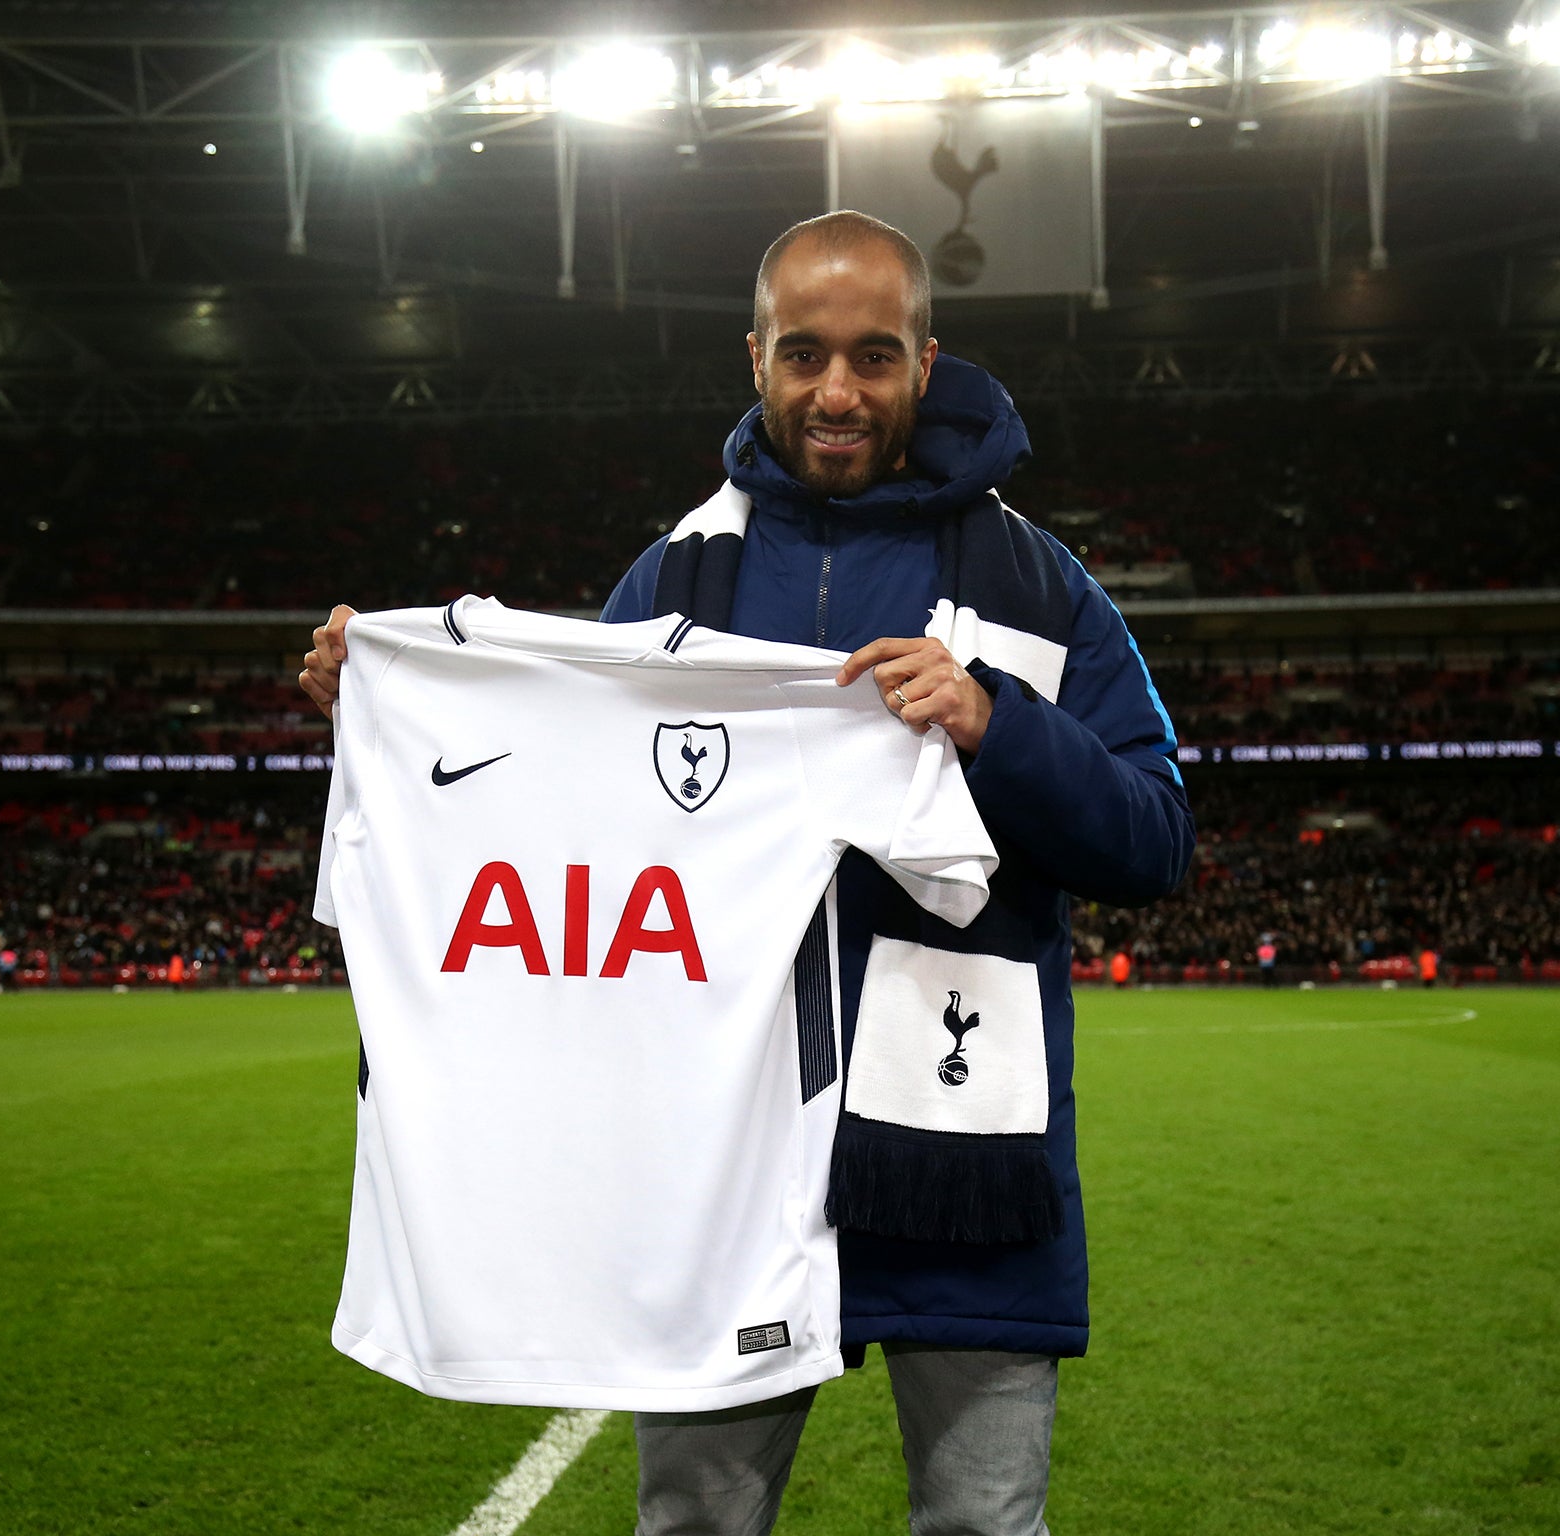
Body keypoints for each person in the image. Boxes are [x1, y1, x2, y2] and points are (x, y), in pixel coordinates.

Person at [300, 210, 1195, 1536]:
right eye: (805, 354)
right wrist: (386, 711)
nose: (837, 390)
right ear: (756, 359)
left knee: (982, 1528)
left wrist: (999, 724)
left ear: (926, 366)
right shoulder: (675, 580)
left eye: (875, 357)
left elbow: (1154, 838)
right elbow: (565, 827)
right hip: (714, 1161)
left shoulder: (1042, 592)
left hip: (959, 1158)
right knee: (698, 1526)